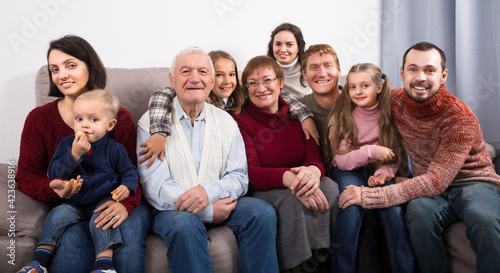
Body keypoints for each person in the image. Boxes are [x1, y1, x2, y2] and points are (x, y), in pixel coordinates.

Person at [338, 41, 500, 273]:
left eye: (429, 70)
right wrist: (304, 116)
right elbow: (353, 92)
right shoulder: (393, 101)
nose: (420, 77)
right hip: (429, 187)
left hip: (472, 182)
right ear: (402, 74)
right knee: (418, 214)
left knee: (483, 217)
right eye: (413, 69)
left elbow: (437, 180)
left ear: (443, 76)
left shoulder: (459, 118)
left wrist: (370, 196)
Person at [15, 35, 151, 273]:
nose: (62, 75)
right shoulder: (39, 119)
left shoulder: (119, 119)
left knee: (123, 235)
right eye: (54, 69)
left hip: (113, 198)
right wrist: (54, 186)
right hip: (73, 203)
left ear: (90, 66)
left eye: (71, 65)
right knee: (71, 243)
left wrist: (125, 204)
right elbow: (26, 176)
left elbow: (133, 171)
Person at [137, 46, 279, 273]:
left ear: (212, 81)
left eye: (203, 72)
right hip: (170, 213)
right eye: (186, 71)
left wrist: (208, 193)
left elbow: (239, 176)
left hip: (220, 201)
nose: (195, 78)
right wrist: (207, 211)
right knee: (184, 224)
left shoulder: (227, 122)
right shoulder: (151, 125)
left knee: (260, 211)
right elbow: (156, 188)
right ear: (172, 80)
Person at [232, 55, 339, 271]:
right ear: (246, 88)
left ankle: (329, 261)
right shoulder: (240, 121)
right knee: (291, 200)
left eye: (267, 80)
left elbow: (313, 156)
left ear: (280, 81)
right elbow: (252, 172)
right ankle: (298, 266)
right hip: (264, 189)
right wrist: (291, 179)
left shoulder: (298, 116)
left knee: (329, 187)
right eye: (252, 83)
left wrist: (312, 172)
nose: (260, 88)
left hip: (298, 180)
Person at [19, 89, 139, 273]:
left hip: (102, 199)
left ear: (110, 124)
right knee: (58, 214)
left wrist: (127, 187)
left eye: (93, 120)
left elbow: (129, 170)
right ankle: (40, 262)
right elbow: (54, 172)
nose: (84, 125)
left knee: (103, 219)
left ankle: (104, 265)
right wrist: (74, 155)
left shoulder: (115, 149)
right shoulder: (67, 144)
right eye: (79, 119)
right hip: (74, 202)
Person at [138, 49, 319, 169]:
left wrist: (305, 116)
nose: (226, 81)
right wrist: (160, 132)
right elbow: (162, 95)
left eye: (231, 74)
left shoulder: (240, 95)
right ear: (208, 77)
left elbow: (280, 95)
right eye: (219, 75)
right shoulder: (197, 98)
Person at [326, 63, 414, 273]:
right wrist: (373, 152)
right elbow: (342, 161)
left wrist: (384, 174)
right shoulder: (342, 117)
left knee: (393, 212)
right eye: (352, 87)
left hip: (379, 172)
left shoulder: (390, 116)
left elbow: (393, 155)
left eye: (364, 85)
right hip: (349, 172)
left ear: (380, 87)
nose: (358, 92)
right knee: (351, 205)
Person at [299, 44, 342, 164]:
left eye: (328, 66)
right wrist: (303, 116)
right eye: (314, 67)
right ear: (304, 74)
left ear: (338, 70)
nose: (322, 74)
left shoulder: (358, 102)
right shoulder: (299, 108)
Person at [267, 22, 312, 99]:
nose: (283, 50)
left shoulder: (311, 68)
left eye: (289, 45)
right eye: (278, 44)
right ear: (272, 46)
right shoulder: (265, 71)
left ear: (299, 47)